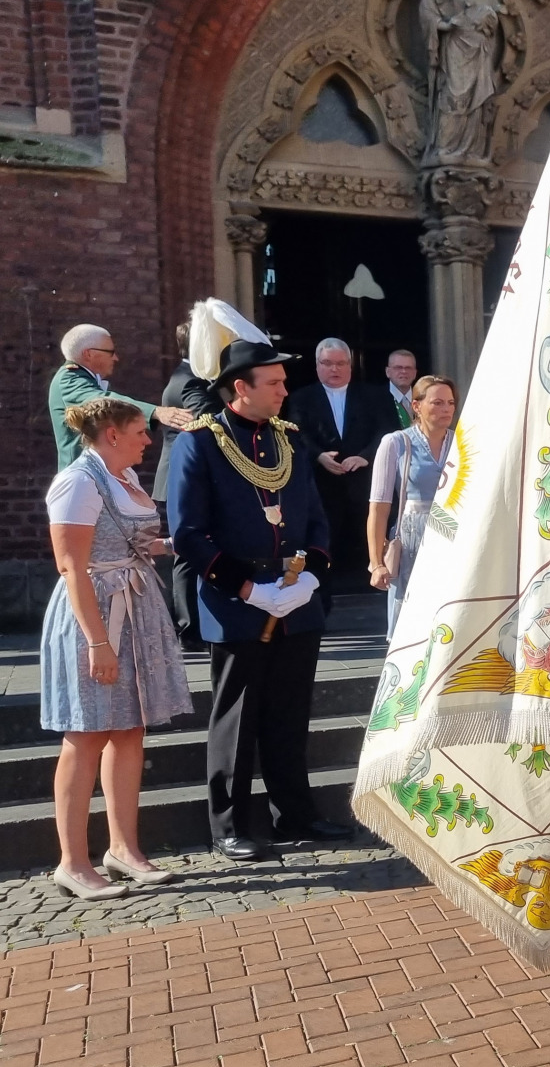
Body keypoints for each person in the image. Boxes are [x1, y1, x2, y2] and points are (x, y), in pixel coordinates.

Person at [167, 328, 353, 860]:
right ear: (239, 388)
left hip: (296, 597)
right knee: (237, 716)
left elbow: (316, 518)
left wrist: (311, 577)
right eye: (273, 382)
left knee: (289, 713)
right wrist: (248, 589)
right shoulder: (201, 443)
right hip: (238, 601)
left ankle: (296, 813)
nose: (284, 390)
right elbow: (189, 534)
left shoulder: (288, 439)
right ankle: (229, 824)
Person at [41, 397, 190, 900]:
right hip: (95, 614)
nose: (149, 439)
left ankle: (123, 849)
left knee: (128, 730)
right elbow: (71, 565)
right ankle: (72, 862)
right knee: (86, 733)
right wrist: (97, 642)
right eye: (140, 431)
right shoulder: (78, 482)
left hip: (135, 605)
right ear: (112, 434)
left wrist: (178, 544)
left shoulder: (123, 477)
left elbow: (132, 542)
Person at [285, 338, 398, 593]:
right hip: (323, 486)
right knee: (325, 543)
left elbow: (388, 430)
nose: (334, 369)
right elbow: (296, 434)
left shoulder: (375, 395)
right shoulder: (301, 398)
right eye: (327, 363)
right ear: (317, 365)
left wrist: (365, 456)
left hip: (365, 484)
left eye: (340, 363)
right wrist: (319, 456)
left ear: (350, 365)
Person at [367, 373, 457, 636]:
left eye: (450, 403)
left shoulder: (462, 443)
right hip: (412, 538)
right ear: (416, 406)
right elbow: (379, 508)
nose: (446, 409)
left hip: (454, 535)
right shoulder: (396, 442)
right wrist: (376, 563)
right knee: (413, 622)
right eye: (437, 403)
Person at [153, 312, 219, 649]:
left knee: (187, 552)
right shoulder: (191, 381)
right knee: (187, 554)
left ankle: (191, 626)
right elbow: (208, 422)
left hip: (179, 481)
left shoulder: (187, 376)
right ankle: (189, 628)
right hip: (185, 482)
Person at [48, 324, 192, 470]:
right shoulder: (68, 379)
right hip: (82, 474)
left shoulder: (83, 378)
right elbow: (102, 400)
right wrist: (156, 412)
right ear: (88, 354)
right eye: (110, 352)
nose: (116, 358)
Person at [385, 348, 419, 428]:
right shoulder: (372, 402)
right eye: (398, 367)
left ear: (415, 373)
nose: (404, 371)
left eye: (408, 368)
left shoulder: (423, 399)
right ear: (388, 372)